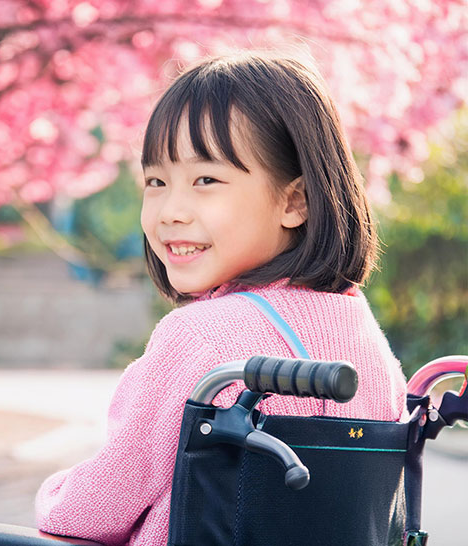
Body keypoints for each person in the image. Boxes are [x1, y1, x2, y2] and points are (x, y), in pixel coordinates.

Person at [35, 52, 407, 546]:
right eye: (156, 182)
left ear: (295, 201)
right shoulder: (365, 338)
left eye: (206, 180)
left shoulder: (201, 339)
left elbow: (96, 509)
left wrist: (52, 493)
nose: (170, 212)